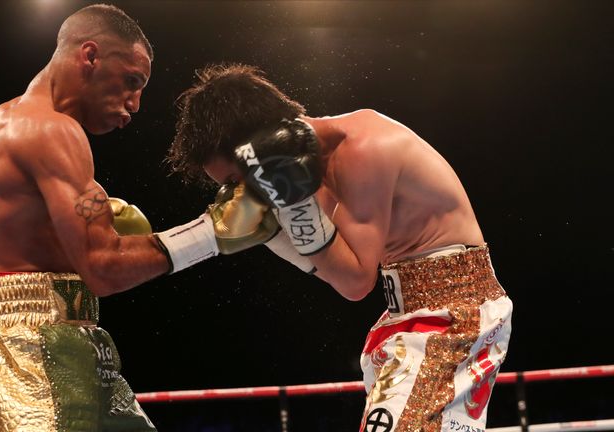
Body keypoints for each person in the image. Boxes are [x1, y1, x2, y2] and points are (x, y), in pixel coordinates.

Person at [0, 5, 278, 432]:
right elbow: (104, 269)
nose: (134, 104)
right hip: (31, 346)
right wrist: (215, 229)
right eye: (132, 81)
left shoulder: (12, 118)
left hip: (65, 333)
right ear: (90, 56)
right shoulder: (51, 131)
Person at [166, 63, 513, 432]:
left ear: (260, 143)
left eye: (237, 179)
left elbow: (356, 282)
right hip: (409, 316)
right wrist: (273, 235)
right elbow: (336, 268)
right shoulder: (307, 174)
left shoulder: (362, 149)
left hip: (454, 314)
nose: (242, 193)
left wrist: (291, 211)